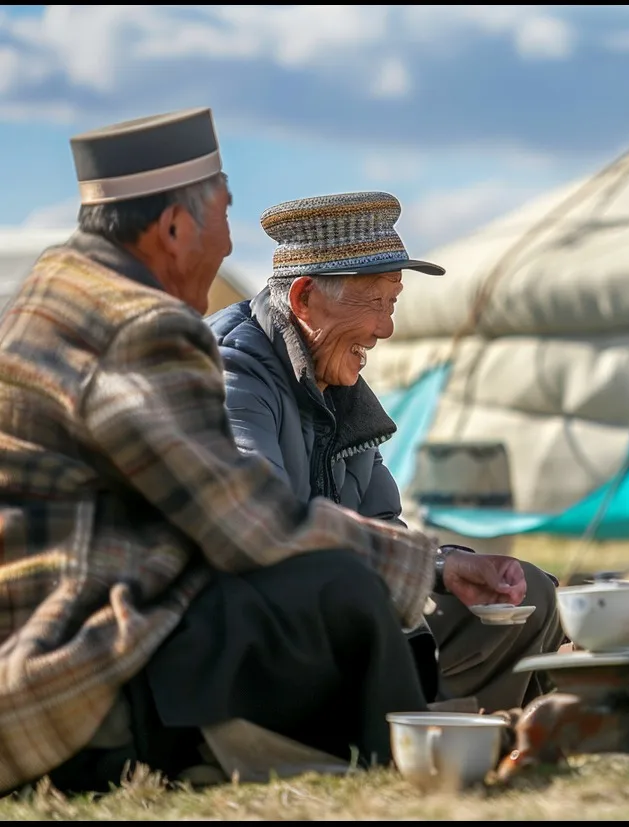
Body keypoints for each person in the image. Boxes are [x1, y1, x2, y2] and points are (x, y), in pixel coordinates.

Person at [0, 109, 513, 795]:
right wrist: (429, 565)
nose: (228, 246)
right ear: (175, 228)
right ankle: (409, 773)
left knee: (338, 584)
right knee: (340, 590)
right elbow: (250, 524)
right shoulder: (142, 328)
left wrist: (429, 565)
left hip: (58, 640)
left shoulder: (55, 297)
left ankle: (420, 742)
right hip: (79, 680)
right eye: (224, 216)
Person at [207, 191, 563, 714]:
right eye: (373, 303)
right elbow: (264, 535)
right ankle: (397, 731)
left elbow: (382, 523)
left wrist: (448, 566)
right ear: (304, 298)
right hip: (259, 627)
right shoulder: (231, 374)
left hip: (346, 602)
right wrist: (422, 572)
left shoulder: (338, 385)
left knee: (526, 595)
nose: (386, 328)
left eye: (391, 304)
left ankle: (466, 737)